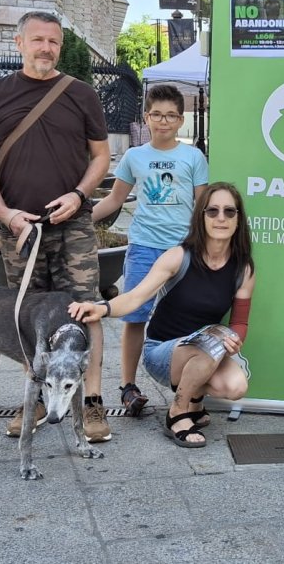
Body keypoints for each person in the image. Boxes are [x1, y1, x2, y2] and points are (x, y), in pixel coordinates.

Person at [0, 10, 113, 442]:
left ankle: (91, 402)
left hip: (74, 225)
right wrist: (5, 213)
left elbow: (101, 156)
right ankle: (33, 398)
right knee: (27, 316)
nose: (45, 48)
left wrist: (80, 195)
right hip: (20, 229)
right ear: (19, 44)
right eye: (37, 40)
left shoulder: (81, 94)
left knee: (85, 310)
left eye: (53, 41)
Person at [71, 182, 255, 448]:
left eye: (229, 211)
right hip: (162, 353)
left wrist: (236, 339)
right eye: (212, 211)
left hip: (206, 352)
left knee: (235, 386)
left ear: (238, 219)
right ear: (200, 216)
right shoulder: (179, 256)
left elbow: (239, 322)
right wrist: (102, 308)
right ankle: (178, 413)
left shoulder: (243, 269)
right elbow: (135, 297)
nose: (221, 218)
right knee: (206, 345)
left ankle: (193, 400)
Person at [92, 84, 208, 417]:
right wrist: (80, 216)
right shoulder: (134, 156)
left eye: (171, 115)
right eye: (156, 114)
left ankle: (185, 388)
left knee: (185, 319)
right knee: (135, 316)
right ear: (146, 117)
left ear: (180, 120)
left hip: (183, 250)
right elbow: (115, 199)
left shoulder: (193, 157)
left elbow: (202, 205)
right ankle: (128, 387)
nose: (163, 121)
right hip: (143, 245)